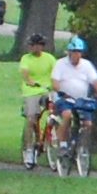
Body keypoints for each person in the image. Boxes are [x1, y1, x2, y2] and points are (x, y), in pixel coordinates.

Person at [48, 36, 97, 154]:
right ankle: (62, 144)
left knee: (88, 124)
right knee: (67, 116)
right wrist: (61, 92)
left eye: (79, 52)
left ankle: (80, 145)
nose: (76, 55)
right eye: (74, 52)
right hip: (64, 99)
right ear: (69, 52)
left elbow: (95, 80)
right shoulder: (60, 64)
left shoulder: (87, 65)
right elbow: (55, 82)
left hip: (81, 100)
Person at [16, 32, 57, 166]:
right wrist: (30, 81)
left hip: (46, 90)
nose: (34, 48)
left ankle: (53, 137)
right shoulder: (26, 59)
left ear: (42, 46)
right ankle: (28, 149)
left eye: (36, 45)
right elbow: (24, 72)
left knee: (55, 111)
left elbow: (56, 73)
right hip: (31, 91)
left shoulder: (50, 59)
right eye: (32, 45)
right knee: (31, 118)